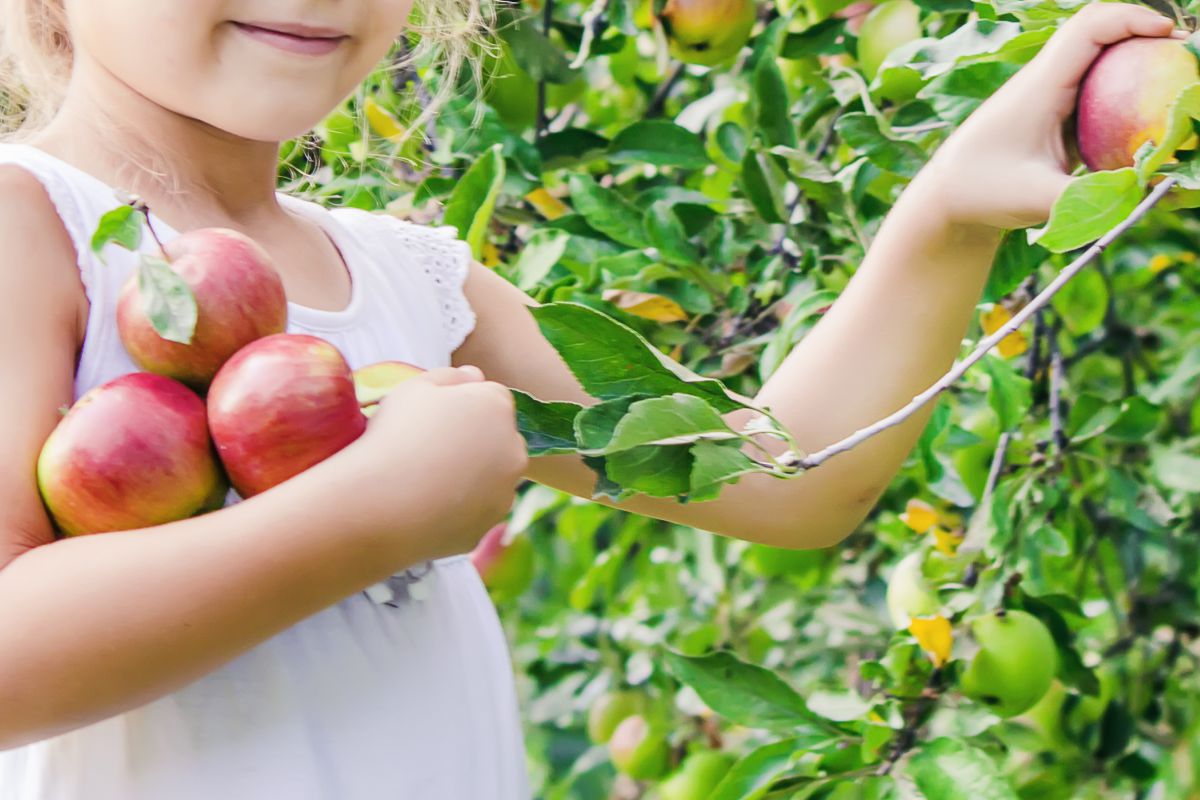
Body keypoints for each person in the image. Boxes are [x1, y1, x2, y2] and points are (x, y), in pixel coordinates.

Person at [0, 1, 1180, 798]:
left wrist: (947, 214)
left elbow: (782, 470)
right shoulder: (30, 228)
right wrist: (371, 511)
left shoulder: (416, 280)